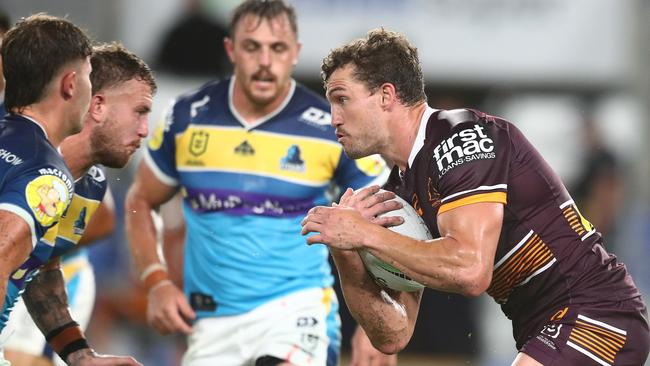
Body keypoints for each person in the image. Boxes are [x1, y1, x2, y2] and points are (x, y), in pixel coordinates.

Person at [301, 29, 650, 365]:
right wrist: (345, 251)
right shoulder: (399, 193)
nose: (334, 118)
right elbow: (394, 333)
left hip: (595, 313)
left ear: (386, 95)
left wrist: (365, 234)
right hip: (543, 328)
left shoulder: (464, 138)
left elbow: (469, 270)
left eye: (342, 99)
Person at [125, 1, 394, 365]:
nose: (265, 60)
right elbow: (140, 201)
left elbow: (389, 216)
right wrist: (156, 281)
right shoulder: (186, 118)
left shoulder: (330, 127)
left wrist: (377, 321)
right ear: (231, 50)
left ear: (295, 53)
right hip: (211, 322)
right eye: (252, 47)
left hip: (296, 309)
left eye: (277, 48)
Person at [1, 42, 155, 366]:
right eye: (139, 112)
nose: (144, 130)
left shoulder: (89, 184)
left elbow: (40, 267)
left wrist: (81, 356)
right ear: (97, 105)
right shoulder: (22, 152)